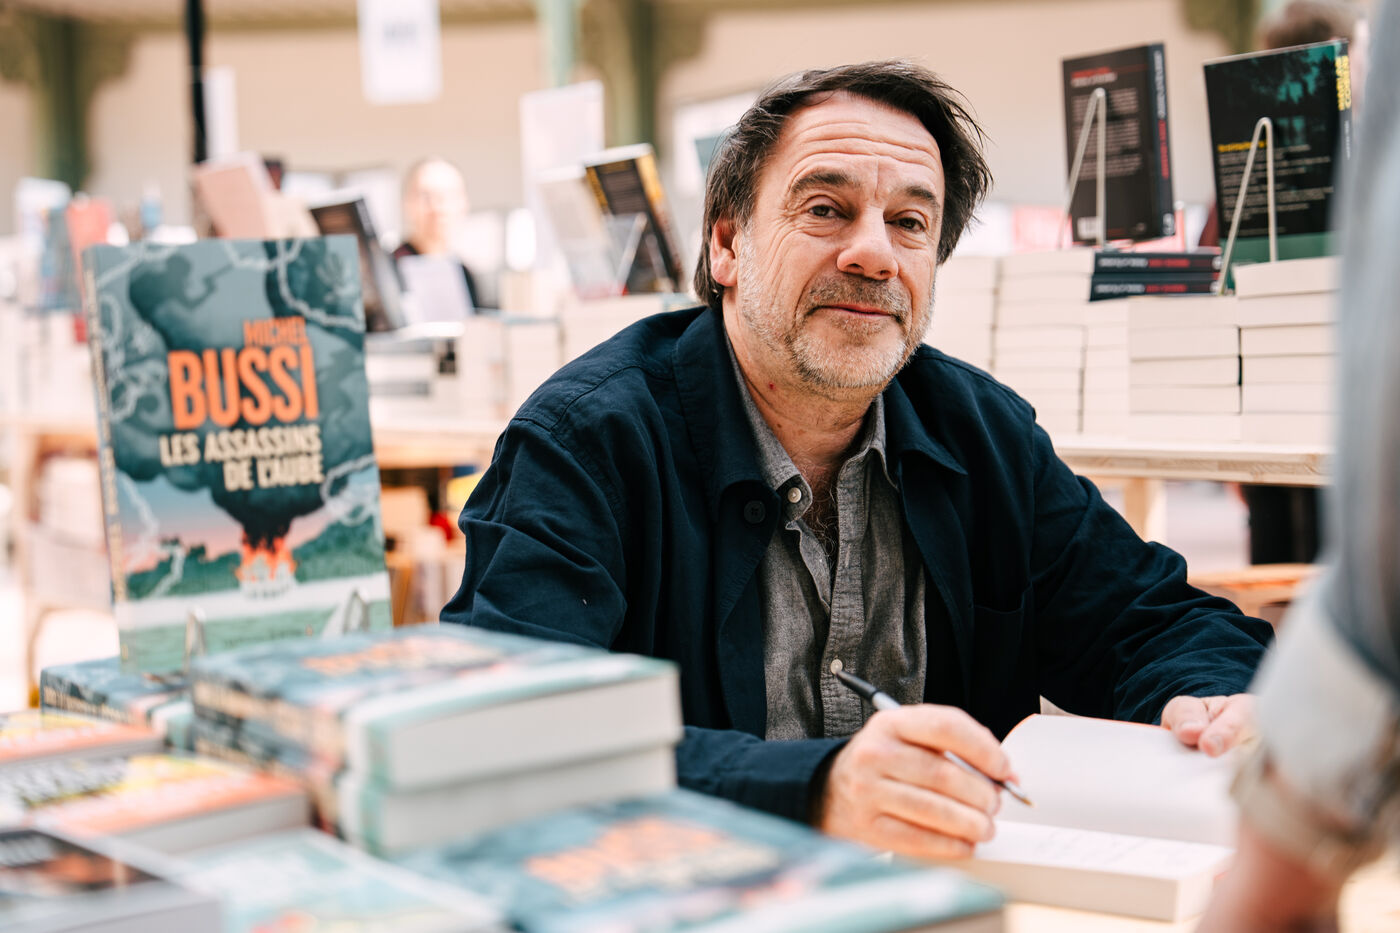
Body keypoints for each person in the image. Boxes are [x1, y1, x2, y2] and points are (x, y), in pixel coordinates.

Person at [441, 61, 1271, 860]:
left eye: (910, 223)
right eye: (826, 209)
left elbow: (1153, 620)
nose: (874, 255)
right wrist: (812, 790)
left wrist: (1210, 699)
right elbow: (509, 732)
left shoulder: (984, 434)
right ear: (727, 244)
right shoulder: (586, 441)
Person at [1199, 2, 1400, 928]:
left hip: (1294, 407)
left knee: (1300, 549)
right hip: (1296, 406)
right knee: (1295, 545)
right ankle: (1272, 661)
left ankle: (1275, 664)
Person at [394, 156, 479, 307]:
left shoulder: (463, 274)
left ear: (465, 204)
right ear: (406, 204)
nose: (438, 208)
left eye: (450, 196)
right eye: (426, 196)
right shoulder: (390, 271)